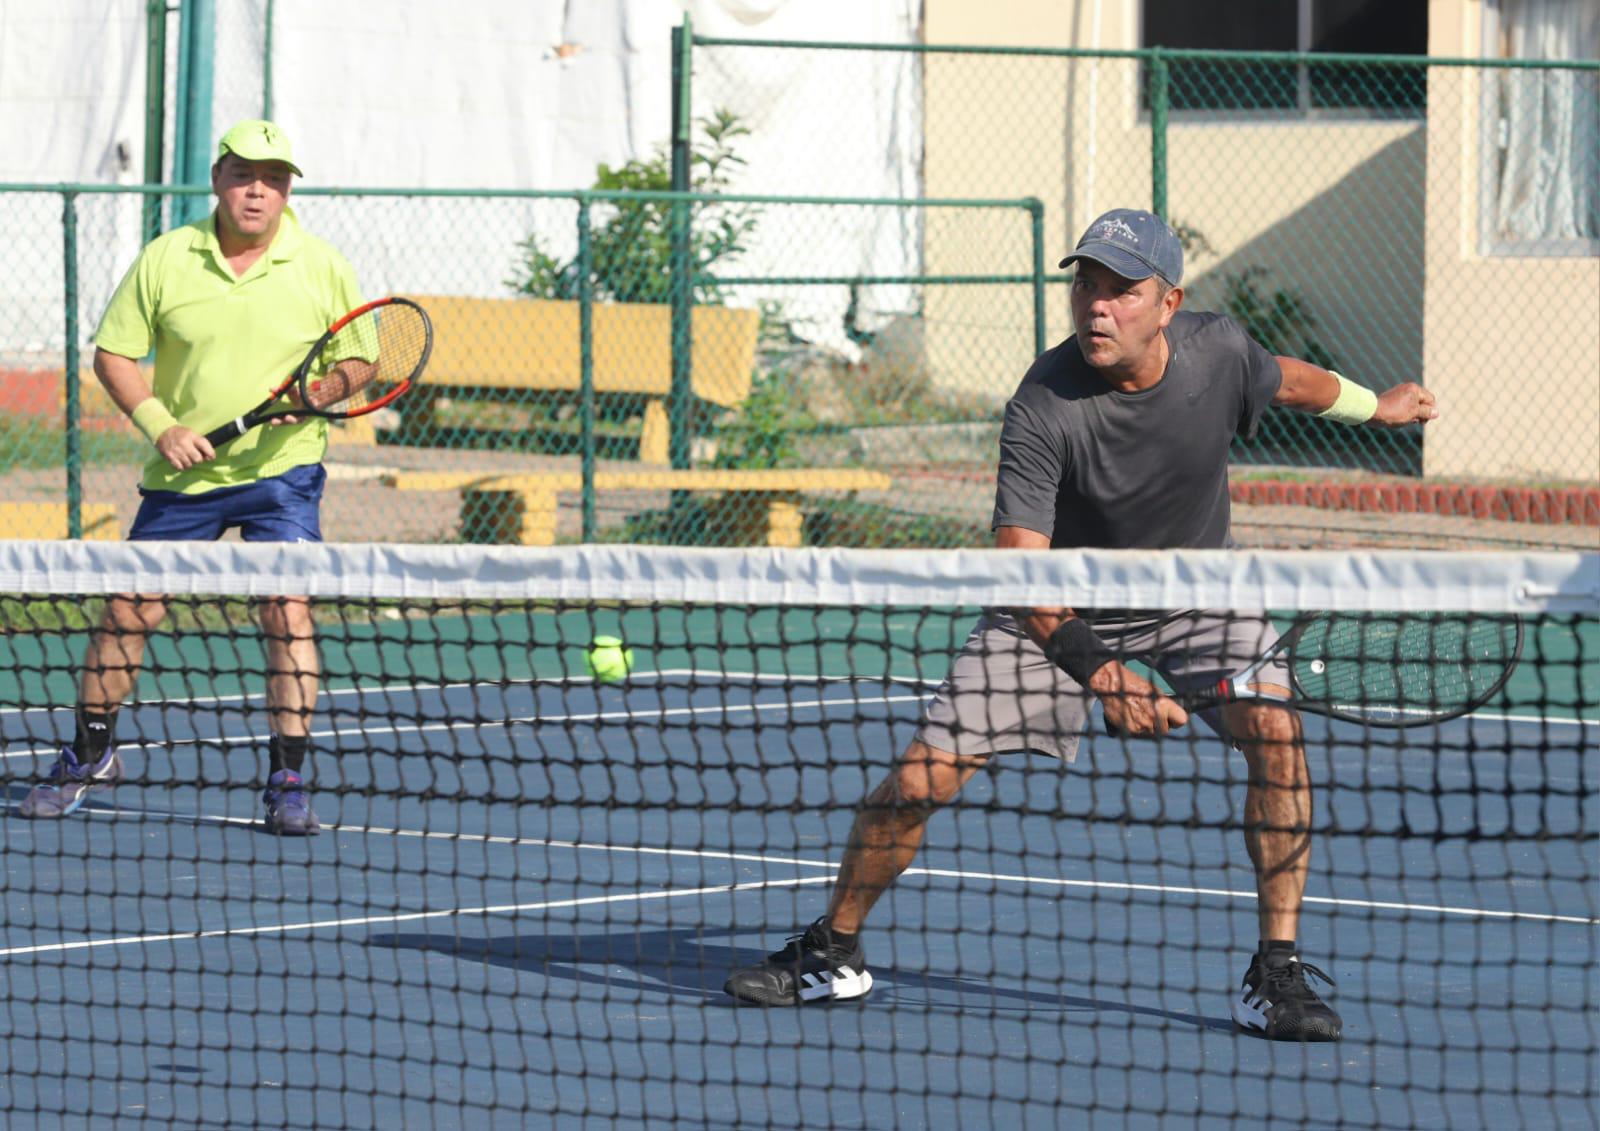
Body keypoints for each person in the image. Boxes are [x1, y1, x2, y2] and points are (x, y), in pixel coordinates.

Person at [723, 208, 1438, 1041]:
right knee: (919, 781)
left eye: (1121, 290)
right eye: (1086, 285)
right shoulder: (1043, 403)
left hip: (1197, 596)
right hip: (1054, 607)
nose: (1097, 305)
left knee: (1278, 736)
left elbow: (1290, 380)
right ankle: (832, 950)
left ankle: (1275, 971)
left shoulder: (1218, 352)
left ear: (1168, 304)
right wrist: (1102, 671)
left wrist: (1378, 407)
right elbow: (1019, 570)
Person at [18, 120, 363, 836]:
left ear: (288, 189)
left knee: (286, 609)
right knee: (128, 610)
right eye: (244, 175)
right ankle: (91, 752)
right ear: (217, 180)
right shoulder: (167, 257)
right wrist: (161, 425)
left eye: (273, 179)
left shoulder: (323, 265)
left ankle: (288, 778)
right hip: (184, 476)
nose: (258, 191)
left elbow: (363, 360)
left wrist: (319, 393)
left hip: (282, 473)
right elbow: (114, 353)